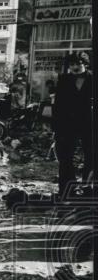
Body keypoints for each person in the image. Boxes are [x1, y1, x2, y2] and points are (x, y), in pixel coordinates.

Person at [52, 53, 93, 196]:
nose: (74, 67)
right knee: (65, 157)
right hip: (68, 125)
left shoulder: (93, 79)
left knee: (92, 157)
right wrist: (56, 128)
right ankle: (67, 189)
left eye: (78, 64)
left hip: (90, 124)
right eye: (71, 65)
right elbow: (57, 105)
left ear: (85, 64)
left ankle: (88, 189)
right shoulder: (64, 80)